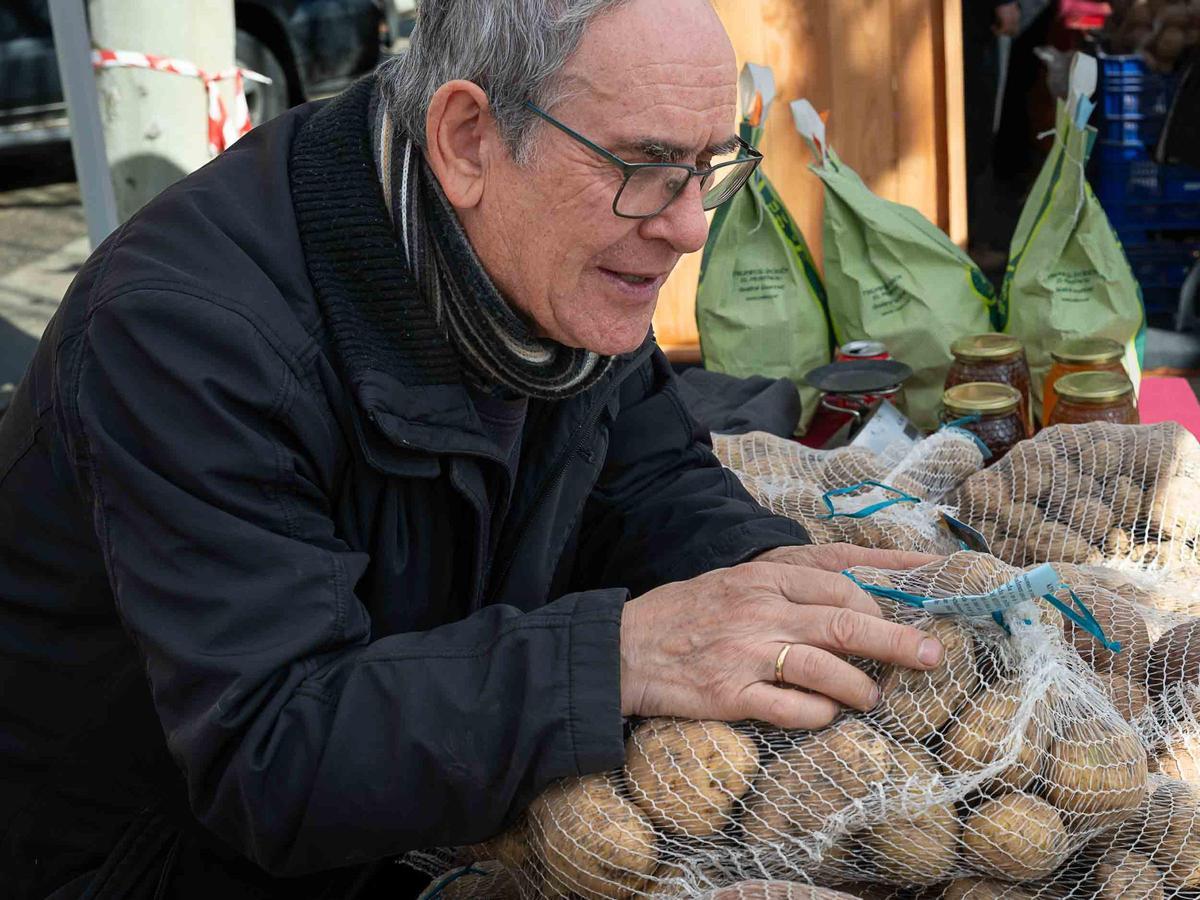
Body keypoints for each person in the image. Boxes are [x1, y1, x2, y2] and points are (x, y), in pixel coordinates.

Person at [0, 1, 946, 897]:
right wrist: (616, 655)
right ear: (466, 141)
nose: (691, 226)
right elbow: (272, 750)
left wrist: (760, 577)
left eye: (708, 164)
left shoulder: (546, 258)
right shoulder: (183, 336)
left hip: (412, 829)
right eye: (647, 164)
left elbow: (647, 477)